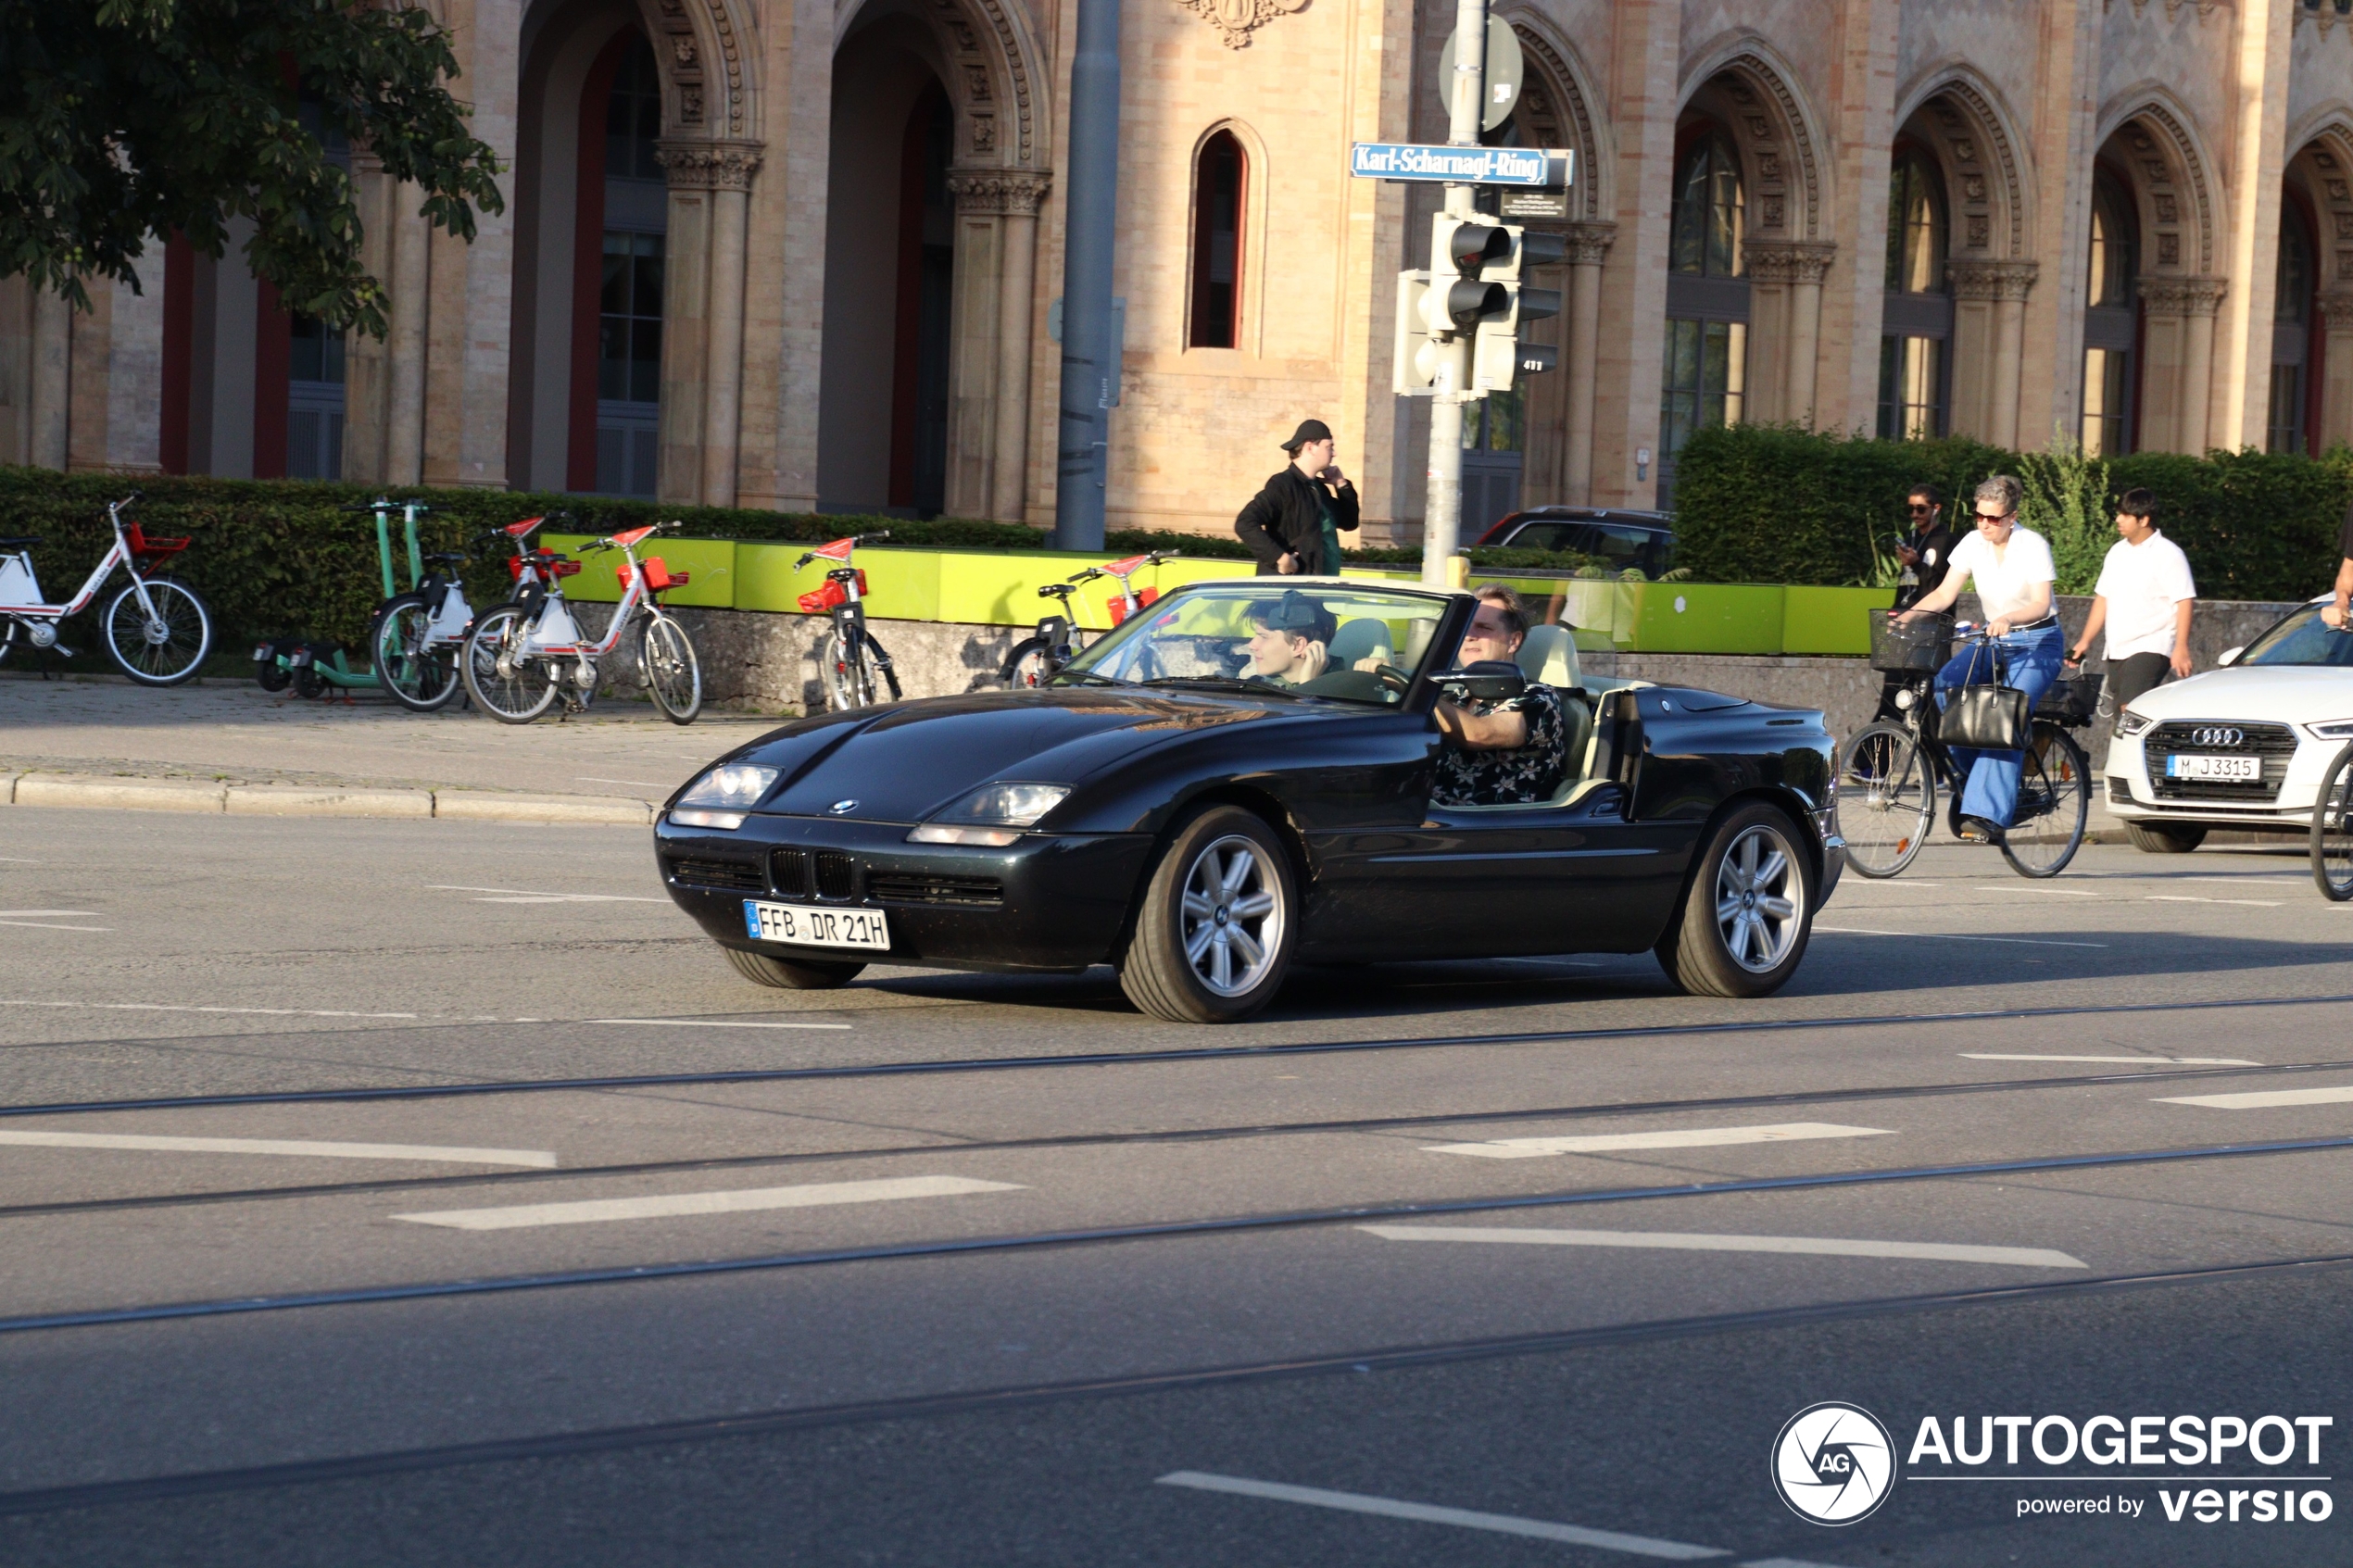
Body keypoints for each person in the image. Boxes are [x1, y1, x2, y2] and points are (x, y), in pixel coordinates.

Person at [1897, 475, 2064, 844]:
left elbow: (2039, 604)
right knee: (1946, 684)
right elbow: (1944, 592)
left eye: (1994, 518)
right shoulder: (1973, 542)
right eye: (1979, 516)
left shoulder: (2032, 545)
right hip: (1996, 639)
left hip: (2038, 642)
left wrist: (2008, 618)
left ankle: (1987, 811)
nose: (1985, 524)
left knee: (2003, 717)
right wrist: (1907, 616)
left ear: (2011, 516)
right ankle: (1977, 786)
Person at [1431, 585, 1568, 807]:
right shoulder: (1459, 696)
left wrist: (1418, 690)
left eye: (1483, 627)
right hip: (1435, 815)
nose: (1469, 636)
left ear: (1513, 641)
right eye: (1465, 627)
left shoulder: (1539, 698)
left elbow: (1479, 734)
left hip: (1497, 827)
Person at [2065, 487, 2196, 712]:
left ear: (2144, 519)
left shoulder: (2168, 554)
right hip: (2117, 647)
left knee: (2129, 707)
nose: (2118, 520)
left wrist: (2181, 647)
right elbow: (2103, 598)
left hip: (2152, 644)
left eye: (2125, 515)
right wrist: (2085, 641)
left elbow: (2184, 600)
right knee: (2122, 713)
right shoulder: (2117, 552)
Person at [1877, 483, 1960, 720]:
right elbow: (1906, 584)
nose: (1915, 515)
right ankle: (1871, 755)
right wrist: (1895, 614)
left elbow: (1941, 588)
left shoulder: (1947, 541)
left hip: (1932, 628)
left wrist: (1915, 564)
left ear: (1936, 509)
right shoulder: (1911, 538)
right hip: (1905, 625)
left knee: (1931, 704)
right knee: (1892, 699)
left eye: (1921, 509)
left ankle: (1935, 754)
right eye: (1911, 509)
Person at [1235, 419, 1360, 576]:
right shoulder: (1282, 485)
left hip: (1317, 590)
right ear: (1310, 447)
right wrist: (1280, 558)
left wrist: (1341, 485)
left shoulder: (1319, 489)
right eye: (1329, 447)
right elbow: (1245, 523)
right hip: (1288, 592)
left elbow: (1350, 522)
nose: (1334, 453)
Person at [1242, 591, 1337, 687]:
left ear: (1298, 645)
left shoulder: (1339, 694)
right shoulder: (1259, 685)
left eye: (1264, 636)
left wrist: (1308, 687)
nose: (1251, 645)